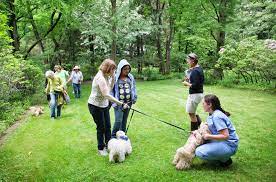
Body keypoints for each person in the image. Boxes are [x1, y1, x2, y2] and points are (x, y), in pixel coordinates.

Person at [88, 59, 129, 156]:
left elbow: (109, 89)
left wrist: (113, 78)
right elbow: (106, 94)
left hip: (104, 105)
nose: (114, 72)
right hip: (95, 105)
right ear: (107, 68)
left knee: (108, 126)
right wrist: (121, 103)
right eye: (113, 70)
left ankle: (109, 145)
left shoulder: (107, 76)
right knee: (101, 127)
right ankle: (101, 148)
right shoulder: (100, 78)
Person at [195, 94, 239, 167]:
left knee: (199, 152)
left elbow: (226, 136)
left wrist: (208, 136)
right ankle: (223, 157)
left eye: (203, 103)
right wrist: (197, 131)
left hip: (229, 145)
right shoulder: (212, 113)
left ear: (210, 105)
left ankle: (224, 160)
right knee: (200, 143)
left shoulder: (217, 116)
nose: (202, 105)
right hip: (222, 142)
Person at [111, 59, 137, 138]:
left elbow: (134, 87)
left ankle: (122, 135)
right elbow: (111, 91)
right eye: (125, 69)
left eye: (128, 69)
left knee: (124, 120)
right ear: (120, 69)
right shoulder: (115, 78)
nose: (127, 70)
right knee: (118, 120)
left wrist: (134, 97)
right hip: (119, 104)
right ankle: (113, 136)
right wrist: (114, 103)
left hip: (129, 103)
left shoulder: (130, 77)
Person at [182, 53, 204, 131]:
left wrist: (186, 83)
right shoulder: (199, 69)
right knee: (193, 112)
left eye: (188, 60)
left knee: (191, 113)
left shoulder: (195, 71)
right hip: (198, 94)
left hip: (195, 94)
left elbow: (195, 85)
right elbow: (196, 82)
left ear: (193, 61)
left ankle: (194, 133)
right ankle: (202, 127)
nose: (187, 62)